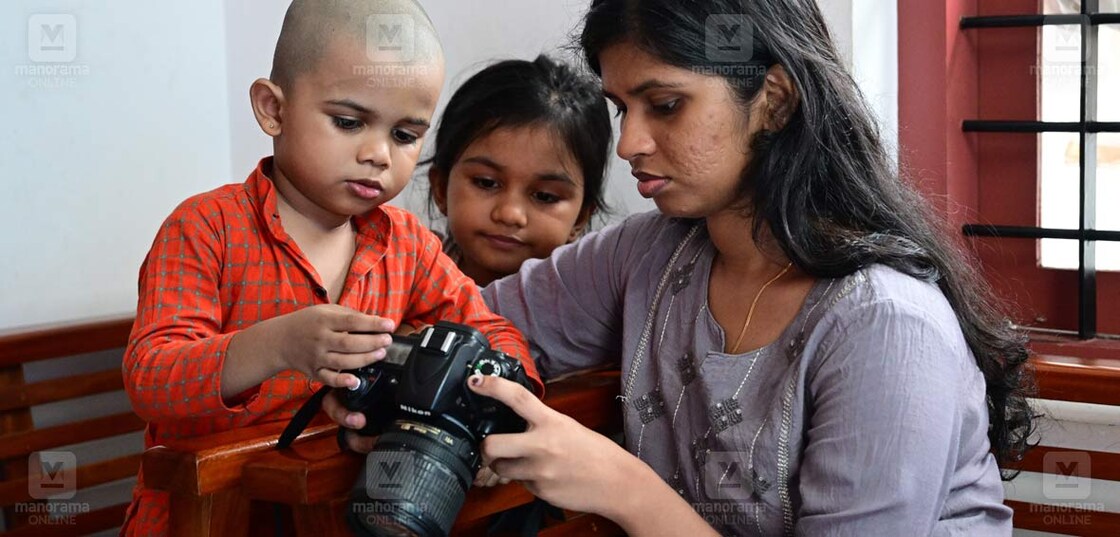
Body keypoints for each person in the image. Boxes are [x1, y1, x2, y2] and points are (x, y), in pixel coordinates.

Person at [332, 0, 1035, 535]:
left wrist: (621, 487)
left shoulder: (886, 325)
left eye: (665, 105)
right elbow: (462, 321)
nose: (630, 143)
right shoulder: (650, 253)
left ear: (775, 99)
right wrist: (395, 387)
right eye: (621, 108)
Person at [119, 1, 543, 534]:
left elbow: (492, 331)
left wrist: (500, 410)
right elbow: (152, 376)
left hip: (334, 511)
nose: (379, 154)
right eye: (348, 121)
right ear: (273, 109)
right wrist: (276, 345)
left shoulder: (407, 243)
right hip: (206, 515)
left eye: (406, 135)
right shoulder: (206, 227)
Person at [424, 55, 612, 287]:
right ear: (441, 188)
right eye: (486, 182)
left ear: (580, 217)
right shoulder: (401, 273)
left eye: (545, 196)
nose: (510, 214)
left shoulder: (586, 310)